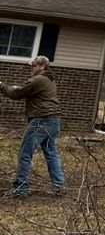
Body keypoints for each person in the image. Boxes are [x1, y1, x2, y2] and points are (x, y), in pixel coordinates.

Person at [0, 55, 66, 198]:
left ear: (42, 66)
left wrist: (2, 85)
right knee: (51, 154)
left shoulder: (38, 79)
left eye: (34, 65)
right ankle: (59, 187)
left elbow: (16, 93)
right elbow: (27, 90)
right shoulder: (49, 79)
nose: (32, 68)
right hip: (54, 121)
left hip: (40, 121)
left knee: (25, 153)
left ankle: (21, 188)